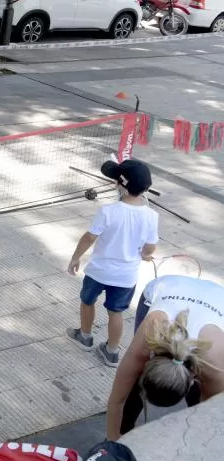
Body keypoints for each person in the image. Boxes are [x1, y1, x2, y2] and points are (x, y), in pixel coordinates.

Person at [105, 274, 224, 440]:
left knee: (202, 406)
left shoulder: (215, 367)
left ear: (191, 380)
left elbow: (211, 417)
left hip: (218, 298)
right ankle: (125, 430)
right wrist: (112, 443)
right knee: (131, 382)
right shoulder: (145, 342)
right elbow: (116, 401)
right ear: (147, 365)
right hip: (166, 286)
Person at [67, 158, 159, 368]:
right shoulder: (152, 216)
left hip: (99, 271)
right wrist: (144, 254)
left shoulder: (108, 211)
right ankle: (111, 351)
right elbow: (150, 248)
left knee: (87, 301)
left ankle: (85, 336)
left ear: (120, 185)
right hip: (126, 276)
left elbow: (90, 237)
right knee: (116, 312)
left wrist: (75, 257)